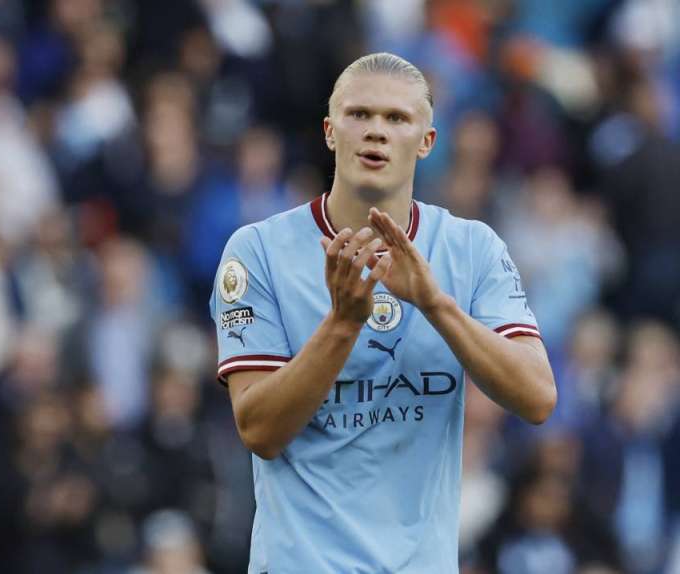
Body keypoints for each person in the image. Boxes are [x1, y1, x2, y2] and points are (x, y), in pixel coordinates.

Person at [210, 52, 556, 573]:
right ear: (330, 132)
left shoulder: (472, 248)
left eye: (396, 118)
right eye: (359, 114)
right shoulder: (257, 251)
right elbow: (259, 431)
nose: (376, 131)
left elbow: (537, 397)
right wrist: (343, 324)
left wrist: (436, 304)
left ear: (427, 141)